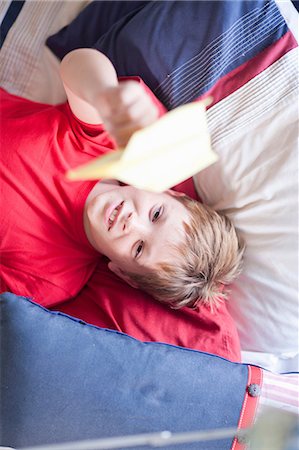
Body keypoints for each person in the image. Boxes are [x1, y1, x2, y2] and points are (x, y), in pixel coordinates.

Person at [0, 49, 244, 310]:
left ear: (123, 273)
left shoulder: (48, 282)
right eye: (156, 214)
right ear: (168, 192)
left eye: (139, 248)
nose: (132, 223)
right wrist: (105, 96)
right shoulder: (106, 146)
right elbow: (77, 65)